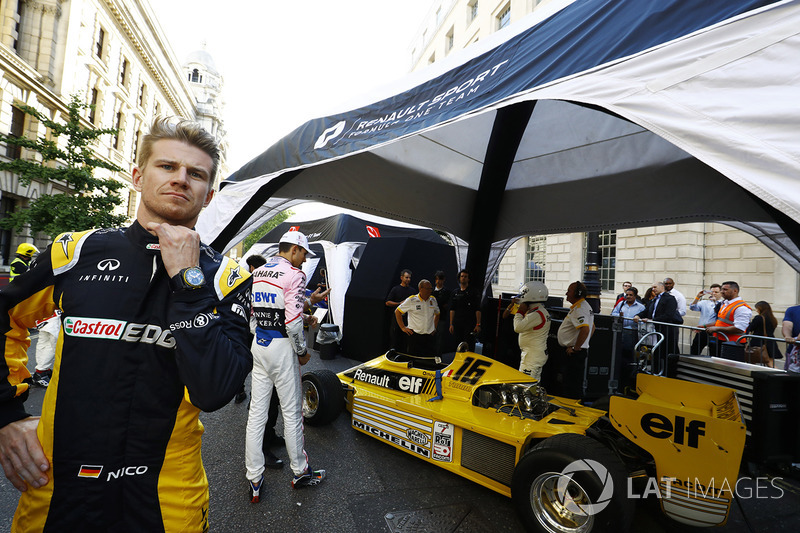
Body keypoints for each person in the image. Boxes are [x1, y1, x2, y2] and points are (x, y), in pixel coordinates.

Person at [0, 117, 253, 531]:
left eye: (196, 174)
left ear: (208, 196)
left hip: (167, 496)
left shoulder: (227, 278)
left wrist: (188, 283)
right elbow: (5, 315)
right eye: (167, 166)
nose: (181, 180)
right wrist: (7, 414)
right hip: (57, 487)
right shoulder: (76, 251)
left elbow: (216, 390)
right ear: (137, 175)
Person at [245, 230, 325, 503]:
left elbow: (260, 312)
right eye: (303, 254)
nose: (304, 260)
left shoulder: (259, 272)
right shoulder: (295, 275)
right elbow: (290, 323)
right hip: (281, 348)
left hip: (260, 343)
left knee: (257, 413)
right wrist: (302, 352)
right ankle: (300, 472)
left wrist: (303, 315)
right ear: (293, 250)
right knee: (292, 414)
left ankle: (254, 477)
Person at [634, 282, 683, 366]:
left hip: (666, 330)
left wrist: (652, 320)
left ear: (662, 287)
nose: (653, 289)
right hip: (654, 330)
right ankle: (656, 370)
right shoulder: (655, 299)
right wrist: (638, 315)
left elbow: (669, 315)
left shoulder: (670, 298)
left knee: (667, 351)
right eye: (652, 287)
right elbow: (648, 310)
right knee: (656, 352)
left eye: (655, 287)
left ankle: (668, 372)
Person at [512, 281, 551, 381]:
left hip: (531, 356)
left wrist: (520, 312)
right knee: (534, 385)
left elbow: (518, 327)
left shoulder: (537, 314)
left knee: (524, 385)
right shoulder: (540, 311)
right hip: (535, 353)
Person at [705, 281, 752, 358]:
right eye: (722, 289)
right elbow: (721, 321)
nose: (722, 292)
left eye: (725, 290)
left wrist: (716, 328)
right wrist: (704, 326)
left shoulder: (741, 308)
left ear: (735, 291)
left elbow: (739, 328)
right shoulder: (725, 304)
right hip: (720, 341)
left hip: (733, 344)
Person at [395, 279, 440, 357]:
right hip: (415, 336)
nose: (430, 291)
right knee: (414, 359)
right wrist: (403, 327)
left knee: (430, 359)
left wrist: (434, 327)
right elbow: (397, 311)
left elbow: (437, 313)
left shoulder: (433, 300)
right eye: (427, 289)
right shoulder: (412, 300)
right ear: (420, 289)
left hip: (429, 336)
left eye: (431, 288)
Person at [557, 281, 594, 356]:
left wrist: (576, 348)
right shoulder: (583, 306)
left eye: (569, 291)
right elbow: (592, 327)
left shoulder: (580, 309)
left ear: (577, 294)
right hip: (576, 349)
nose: (566, 294)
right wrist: (583, 343)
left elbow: (585, 329)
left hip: (573, 352)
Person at [449, 269, 481, 351]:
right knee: (457, 344)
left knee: (469, 344)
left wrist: (478, 324)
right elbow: (452, 309)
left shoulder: (473, 292)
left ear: (468, 279)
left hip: (469, 323)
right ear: (459, 278)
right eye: (462, 276)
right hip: (457, 323)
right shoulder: (455, 292)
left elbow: (477, 309)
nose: (463, 278)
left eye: (465, 277)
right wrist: (451, 324)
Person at [29, 311, 61, 388]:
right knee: (53, 344)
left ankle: (42, 370)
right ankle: (41, 371)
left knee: (45, 343)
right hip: (51, 316)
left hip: (46, 315)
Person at [385, 269, 414, 351]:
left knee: (406, 341)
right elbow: (387, 302)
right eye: (406, 277)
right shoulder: (395, 289)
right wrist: (400, 303)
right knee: (394, 339)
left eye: (409, 278)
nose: (408, 279)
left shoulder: (412, 291)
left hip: (408, 319)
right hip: (396, 319)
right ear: (401, 277)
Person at [689, 284, 721, 355]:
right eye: (712, 292)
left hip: (714, 332)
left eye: (716, 292)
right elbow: (692, 307)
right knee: (694, 351)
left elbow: (719, 317)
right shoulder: (704, 302)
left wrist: (716, 302)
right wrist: (697, 297)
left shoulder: (722, 304)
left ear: (721, 293)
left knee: (714, 353)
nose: (714, 294)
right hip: (702, 331)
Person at [432, 271, 452, 355]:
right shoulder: (431, 290)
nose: (438, 281)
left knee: (439, 339)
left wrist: (437, 302)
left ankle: (438, 356)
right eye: (436, 279)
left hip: (441, 318)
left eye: (440, 279)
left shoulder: (447, 292)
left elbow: (445, 304)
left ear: (443, 280)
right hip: (430, 318)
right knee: (430, 338)